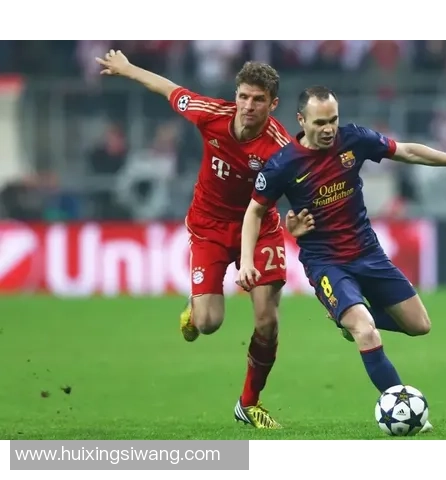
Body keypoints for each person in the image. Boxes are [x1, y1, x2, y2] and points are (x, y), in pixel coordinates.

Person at [238, 85, 446, 432]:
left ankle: (346, 319)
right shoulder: (282, 164)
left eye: (333, 120)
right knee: (365, 330)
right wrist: (248, 261)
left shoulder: (354, 140)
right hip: (327, 263)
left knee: (419, 325)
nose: (328, 129)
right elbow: (254, 211)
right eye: (320, 122)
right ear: (301, 120)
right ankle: (403, 410)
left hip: (368, 252)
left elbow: (406, 150)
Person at [96, 49, 297, 429]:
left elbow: (305, 190)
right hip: (209, 226)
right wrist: (127, 68)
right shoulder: (211, 114)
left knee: (267, 321)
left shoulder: (281, 147)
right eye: (243, 96)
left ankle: (249, 402)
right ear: (235, 95)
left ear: (273, 104)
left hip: (261, 228)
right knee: (207, 323)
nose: (248, 106)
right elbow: (169, 89)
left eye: (258, 100)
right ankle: (195, 306)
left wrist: (306, 222)